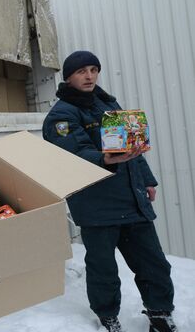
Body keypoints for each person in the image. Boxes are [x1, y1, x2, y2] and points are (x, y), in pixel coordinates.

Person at [42, 51, 178, 332]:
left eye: (93, 69)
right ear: (68, 76)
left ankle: (160, 314)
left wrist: (147, 181)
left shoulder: (108, 103)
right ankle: (107, 317)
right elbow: (73, 153)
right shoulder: (61, 115)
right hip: (97, 207)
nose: (89, 76)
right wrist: (103, 159)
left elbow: (132, 150)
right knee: (103, 270)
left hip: (132, 200)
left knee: (154, 264)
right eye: (81, 71)